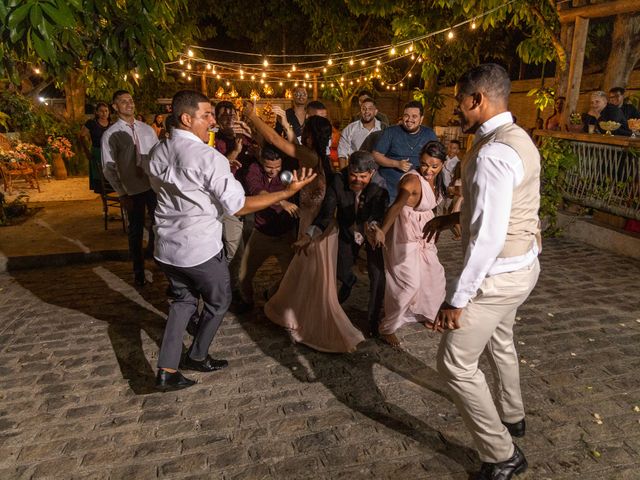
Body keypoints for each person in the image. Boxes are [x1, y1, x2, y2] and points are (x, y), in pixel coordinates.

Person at [144, 90, 317, 391]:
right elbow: (239, 206)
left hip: (166, 247)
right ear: (187, 118)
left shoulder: (159, 151)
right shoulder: (208, 157)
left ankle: (167, 369)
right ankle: (196, 356)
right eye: (207, 114)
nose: (213, 120)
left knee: (182, 302)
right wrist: (287, 193)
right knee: (219, 300)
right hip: (198, 249)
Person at [423, 63, 541, 480]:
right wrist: (451, 221)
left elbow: (489, 237)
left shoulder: (492, 152)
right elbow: (503, 209)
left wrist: (456, 298)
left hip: (500, 274)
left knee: (454, 363)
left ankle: (502, 453)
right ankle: (513, 415)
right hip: (524, 264)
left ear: (477, 100)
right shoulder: (518, 137)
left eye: (460, 100)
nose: (457, 109)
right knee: (501, 339)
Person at [246, 100, 364, 352]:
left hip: (315, 228)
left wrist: (252, 117)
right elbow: (285, 141)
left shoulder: (309, 156)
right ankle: (296, 314)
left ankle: (311, 323)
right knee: (306, 276)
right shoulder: (319, 158)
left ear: (309, 136)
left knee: (313, 278)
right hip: (317, 225)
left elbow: (278, 143)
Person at [296, 151, 389, 339]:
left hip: (372, 235)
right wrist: (309, 235)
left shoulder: (380, 187)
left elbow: (378, 215)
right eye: (353, 175)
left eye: (363, 177)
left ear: (372, 173)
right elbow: (326, 214)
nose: (357, 180)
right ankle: (349, 281)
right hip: (347, 232)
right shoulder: (338, 181)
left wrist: (374, 228)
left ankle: (372, 322)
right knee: (342, 270)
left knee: (378, 277)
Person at [371, 141, 447, 347]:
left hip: (425, 232)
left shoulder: (438, 179)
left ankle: (426, 314)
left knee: (434, 276)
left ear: (442, 164)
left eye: (434, 166)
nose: (428, 170)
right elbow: (396, 205)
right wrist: (382, 231)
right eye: (424, 164)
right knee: (408, 283)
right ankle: (386, 326)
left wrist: (439, 226)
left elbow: (434, 206)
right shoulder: (412, 180)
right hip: (405, 233)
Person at [102, 90, 158, 287]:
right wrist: (122, 193)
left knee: (159, 225)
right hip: (132, 189)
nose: (129, 104)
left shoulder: (147, 130)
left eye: (131, 100)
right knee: (135, 230)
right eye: (123, 102)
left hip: (152, 185)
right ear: (115, 107)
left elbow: (157, 155)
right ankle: (138, 270)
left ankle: (158, 260)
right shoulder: (111, 134)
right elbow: (108, 167)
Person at [237, 146, 298, 309]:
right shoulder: (254, 170)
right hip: (262, 233)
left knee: (292, 276)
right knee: (243, 276)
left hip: (286, 235)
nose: (273, 171)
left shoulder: (289, 172)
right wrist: (282, 200)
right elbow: (259, 193)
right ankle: (247, 301)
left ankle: (271, 294)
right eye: (269, 167)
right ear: (261, 162)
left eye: (277, 167)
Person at [372, 100, 438, 202]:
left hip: (417, 187)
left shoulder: (429, 134)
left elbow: (437, 159)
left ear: (421, 119)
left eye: (414, 116)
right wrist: (396, 164)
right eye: (406, 116)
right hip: (390, 187)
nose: (409, 119)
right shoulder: (391, 132)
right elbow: (376, 155)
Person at [338, 98, 383, 169]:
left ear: (376, 111)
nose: (366, 111)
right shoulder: (350, 129)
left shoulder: (383, 128)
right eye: (364, 109)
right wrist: (342, 174)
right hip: (357, 170)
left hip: (378, 170)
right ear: (360, 111)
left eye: (370, 108)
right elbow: (342, 153)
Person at [81, 102, 112, 193]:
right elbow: (81, 136)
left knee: (110, 176)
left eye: (106, 111)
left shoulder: (111, 124)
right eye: (101, 111)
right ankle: (104, 201)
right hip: (97, 152)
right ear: (97, 112)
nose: (104, 113)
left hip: (109, 154)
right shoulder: (91, 123)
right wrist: (86, 151)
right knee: (100, 178)